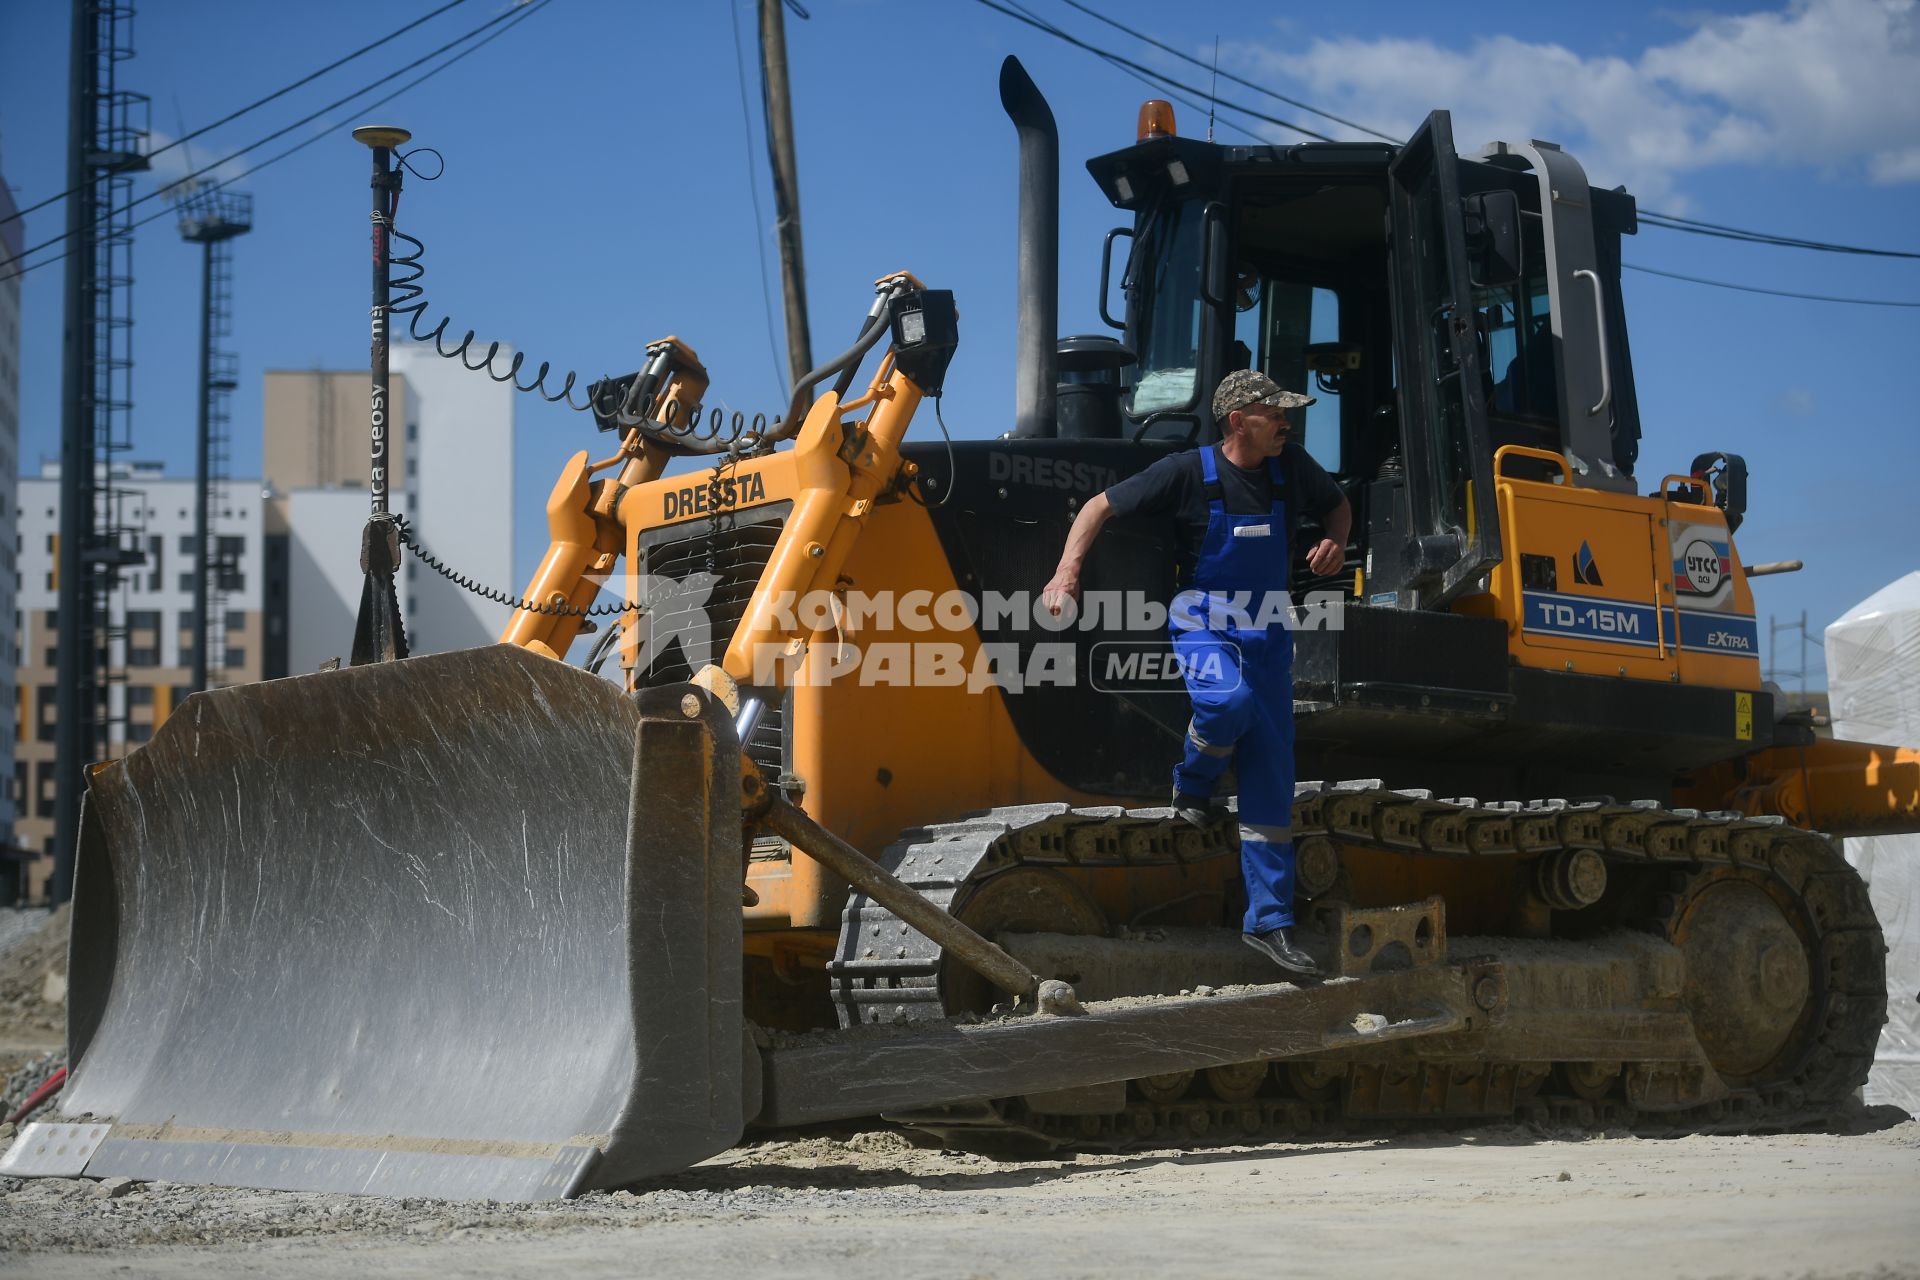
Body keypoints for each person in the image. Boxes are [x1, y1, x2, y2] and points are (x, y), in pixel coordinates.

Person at [1041, 370, 1351, 976]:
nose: (1288, 421)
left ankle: (1271, 924)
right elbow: (1097, 507)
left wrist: (1336, 542)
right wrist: (1065, 572)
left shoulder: (1294, 468)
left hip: (1269, 630)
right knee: (1227, 706)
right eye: (1276, 412)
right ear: (1239, 422)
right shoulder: (1187, 471)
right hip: (1202, 618)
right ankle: (1193, 781)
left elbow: (1337, 506)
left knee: (1271, 781)